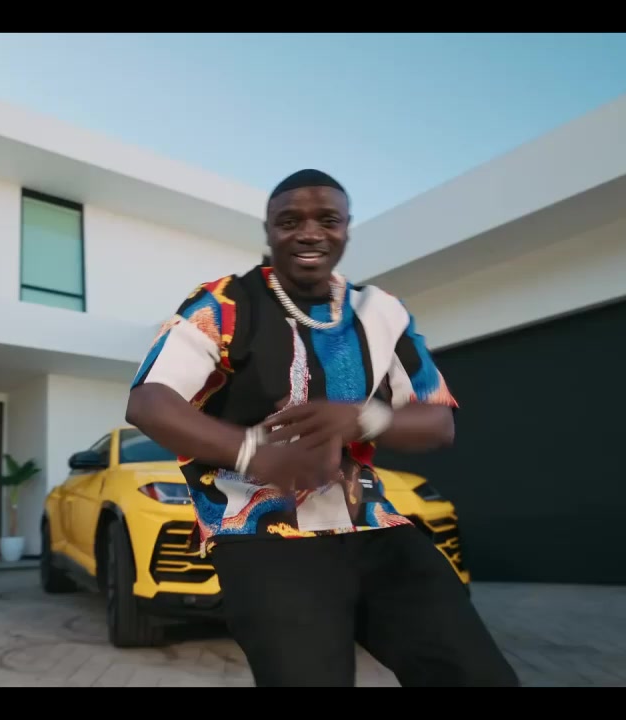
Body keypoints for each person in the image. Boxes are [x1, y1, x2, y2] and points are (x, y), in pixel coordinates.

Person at [124, 168, 518, 687]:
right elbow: (149, 401)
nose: (310, 233)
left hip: (375, 527)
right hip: (261, 537)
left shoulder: (382, 312)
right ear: (269, 232)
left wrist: (362, 417)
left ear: (346, 228)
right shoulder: (223, 303)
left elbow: (438, 421)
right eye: (290, 221)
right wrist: (255, 454)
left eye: (327, 220)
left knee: (477, 674)